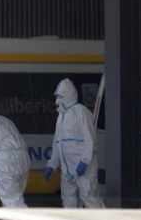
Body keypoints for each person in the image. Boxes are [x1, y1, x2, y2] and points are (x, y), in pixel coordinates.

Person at [44, 78, 105, 208]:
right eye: (57, 96)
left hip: (84, 169)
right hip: (67, 171)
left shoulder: (81, 112)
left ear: (68, 95)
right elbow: (57, 144)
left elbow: (90, 140)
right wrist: (52, 164)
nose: (57, 100)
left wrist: (84, 161)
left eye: (60, 97)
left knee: (90, 199)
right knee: (68, 202)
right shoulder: (61, 117)